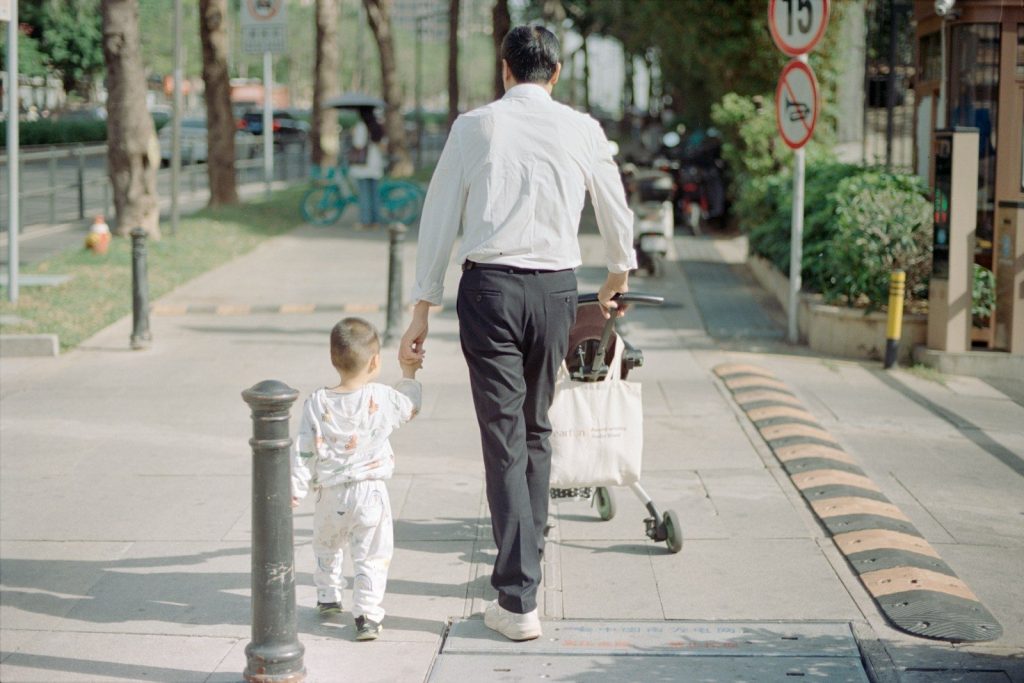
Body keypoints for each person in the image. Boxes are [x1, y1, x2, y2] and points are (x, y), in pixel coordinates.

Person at [398, 25, 635, 642]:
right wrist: (617, 270)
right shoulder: (581, 128)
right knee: (536, 428)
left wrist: (421, 306)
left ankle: (517, 595)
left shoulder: (475, 126)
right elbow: (613, 201)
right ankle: (524, 572)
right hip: (556, 289)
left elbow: (439, 216)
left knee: (505, 436)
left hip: (490, 290)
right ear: (554, 74)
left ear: (505, 70)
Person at [291, 317, 423, 641]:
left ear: (333, 359)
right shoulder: (381, 397)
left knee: (326, 545)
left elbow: (303, 449)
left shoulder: (316, 402)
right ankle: (366, 615)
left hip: (329, 493)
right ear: (375, 361)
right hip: (370, 494)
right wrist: (409, 373)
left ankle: (328, 595)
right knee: (372, 556)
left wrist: (295, 487)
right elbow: (410, 406)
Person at [349, 108, 386, 230]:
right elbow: (383, 144)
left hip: (363, 166)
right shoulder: (377, 126)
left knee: (364, 194)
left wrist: (354, 133)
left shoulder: (361, 126)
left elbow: (358, 144)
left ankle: (365, 221)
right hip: (376, 164)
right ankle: (376, 221)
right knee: (374, 194)